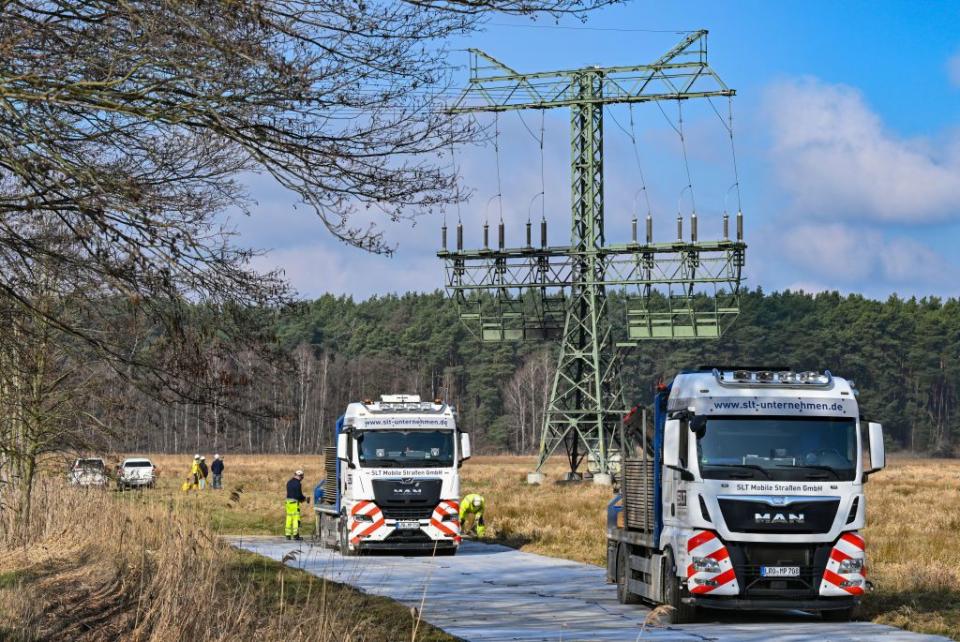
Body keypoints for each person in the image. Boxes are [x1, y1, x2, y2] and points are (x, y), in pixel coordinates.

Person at [285, 469, 308, 541]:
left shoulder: (289, 482)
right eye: (302, 477)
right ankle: (295, 535)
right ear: (300, 476)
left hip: (288, 503)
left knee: (288, 518)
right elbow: (299, 495)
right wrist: (304, 499)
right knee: (295, 519)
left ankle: (288, 535)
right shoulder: (298, 484)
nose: (302, 479)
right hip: (294, 503)